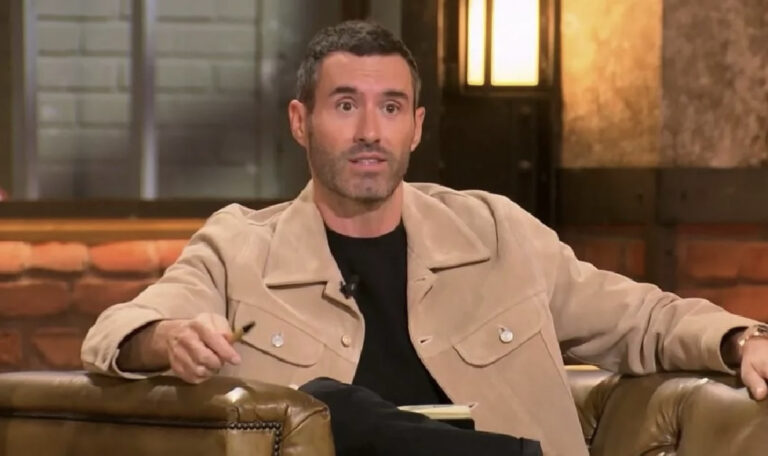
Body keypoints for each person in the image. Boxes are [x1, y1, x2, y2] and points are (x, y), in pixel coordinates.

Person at [82, 20, 768, 456]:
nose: (369, 132)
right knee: (325, 405)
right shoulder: (238, 248)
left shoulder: (495, 232)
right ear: (300, 121)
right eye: (345, 106)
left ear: (416, 126)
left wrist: (743, 341)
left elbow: (640, 318)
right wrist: (165, 340)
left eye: (390, 108)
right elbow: (116, 332)